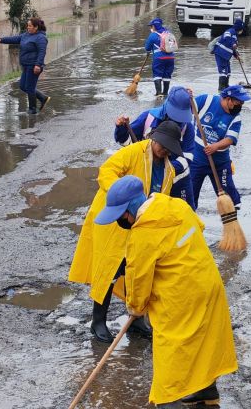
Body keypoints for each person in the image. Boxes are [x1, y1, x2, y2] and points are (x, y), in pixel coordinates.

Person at [94, 177, 238, 407]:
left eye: (121, 215)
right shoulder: (177, 206)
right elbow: (198, 228)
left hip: (180, 300)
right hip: (208, 286)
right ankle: (205, 393)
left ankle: (169, 402)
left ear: (131, 207)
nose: (120, 221)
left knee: (171, 361)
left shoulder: (142, 235)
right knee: (203, 344)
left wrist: (136, 307)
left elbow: (139, 281)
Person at [67, 120, 184, 343]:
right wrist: (121, 197)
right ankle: (98, 322)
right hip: (117, 221)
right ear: (154, 138)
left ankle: (137, 319)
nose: (164, 150)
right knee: (110, 271)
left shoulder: (168, 169)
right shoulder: (133, 152)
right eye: (162, 145)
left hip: (141, 226)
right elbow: (106, 172)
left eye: (169, 147)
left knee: (137, 272)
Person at [114, 87, 196, 208]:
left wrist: (167, 170)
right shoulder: (148, 118)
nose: (178, 120)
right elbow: (127, 143)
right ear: (167, 105)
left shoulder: (187, 127)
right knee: (150, 212)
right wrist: (121, 128)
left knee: (185, 212)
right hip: (150, 176)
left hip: (178, 178)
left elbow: (188, 157)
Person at [191, 85, 250, 212]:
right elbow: (186, 106)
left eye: (242, 103)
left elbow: (230, 139)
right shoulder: (206, 100)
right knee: (190, 196)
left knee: (229, 197)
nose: (240, 105)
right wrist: (187, 96)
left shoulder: (236, 117)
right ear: (228, 99)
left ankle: (231, 220)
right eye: (238, 102)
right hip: (197, 159)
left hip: (220, 162)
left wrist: (215, 146)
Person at [0, 17, 49, 114]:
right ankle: (43, 98)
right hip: (26, 65)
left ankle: (32, 109)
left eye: (30, 26)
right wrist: (1, 39)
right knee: (23, 86)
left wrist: (38, 65)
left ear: (36, 27)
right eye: (27, 25)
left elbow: (42, 52)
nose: (28, 27)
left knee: (30, 88)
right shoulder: (26, 35)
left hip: (34, 66)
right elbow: (15, 38)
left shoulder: (41, 38)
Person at [144, 18, 176, 97]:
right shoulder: (169, 33)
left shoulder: (153, 35)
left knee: (157, 74)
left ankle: (158, 93)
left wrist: (149, 50)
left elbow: (147, 47)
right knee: (167, 75)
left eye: (151, 26)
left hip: (159, 58)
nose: (151, 28)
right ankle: (165, 93)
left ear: (154, 26)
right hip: (171, 58)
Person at [212, 19, 244, 91]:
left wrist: (237, 56)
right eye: (241, 29)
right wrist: (233, 44)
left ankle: (226, 86)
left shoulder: (235, 36)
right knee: (223, 71)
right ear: (239, 28)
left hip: (226, 56)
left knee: (228, 71)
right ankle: (221, 89)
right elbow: (227, 38)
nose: (242, 31)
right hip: (220, 53)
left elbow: (234, 49)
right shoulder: (230, 31)